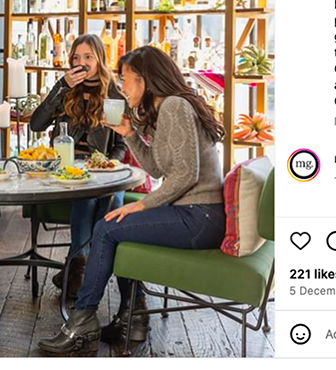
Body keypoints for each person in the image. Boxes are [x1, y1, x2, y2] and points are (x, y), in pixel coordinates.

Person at [38, 46, 226, 355]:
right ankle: (130, 317)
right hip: (192, 214)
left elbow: (186, 175)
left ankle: (82, 321)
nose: (122, 87)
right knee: (116, 227)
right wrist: (129, 133)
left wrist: (140, 205)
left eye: (126, 79)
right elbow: (155, 168)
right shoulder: (166, 108)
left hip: (199, 217)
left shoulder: (175, 106)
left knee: (107, 227)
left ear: (144, 79)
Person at [29, 34, 128, 296]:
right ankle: (84, 272)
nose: (81, 63)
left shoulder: (114, 93)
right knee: (86, 198)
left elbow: (122, 143)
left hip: (103, 170)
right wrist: (60, 85)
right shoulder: (65, 90)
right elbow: (36, 124)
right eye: (76, 57)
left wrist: (108, 163)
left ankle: (76, 270)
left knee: (108, 199)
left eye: (88, 57)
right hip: (67, 169)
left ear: (99, 60)